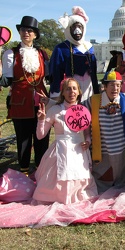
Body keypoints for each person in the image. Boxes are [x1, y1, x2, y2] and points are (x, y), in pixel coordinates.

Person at [33, 78, 98, 204]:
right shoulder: (55, 110)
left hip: (79, 151)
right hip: (60, 151)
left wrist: (88, 142)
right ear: (62, 93)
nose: (71, 92)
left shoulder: (83, 110)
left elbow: (86, 132)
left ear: (79, 92)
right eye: (68, 89)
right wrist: (41, 120)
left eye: (74, 88)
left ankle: (78, 194)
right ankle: (58, 196)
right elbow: (40, 136)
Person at [0, 16, 49, 174]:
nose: (26, 33)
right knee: (24, 140)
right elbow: (6, 80)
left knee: (42, 137)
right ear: (19, 32)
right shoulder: (10, 54)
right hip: (21, 102)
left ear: (35, 34)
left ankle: (41, 169)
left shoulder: (42, 54)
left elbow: (49, 76)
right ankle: (24, 171)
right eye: (23, 30)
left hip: (41, 102)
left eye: (30, 30)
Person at [49, 6, 99, 102]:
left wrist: (96, 92)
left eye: (79, 27)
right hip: (70, 93)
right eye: (74, 27)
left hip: (88, 92)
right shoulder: (61, 49)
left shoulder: (89, 47)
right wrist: (56, 95)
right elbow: (55, 74)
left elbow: (94, 74)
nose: (77, 31)